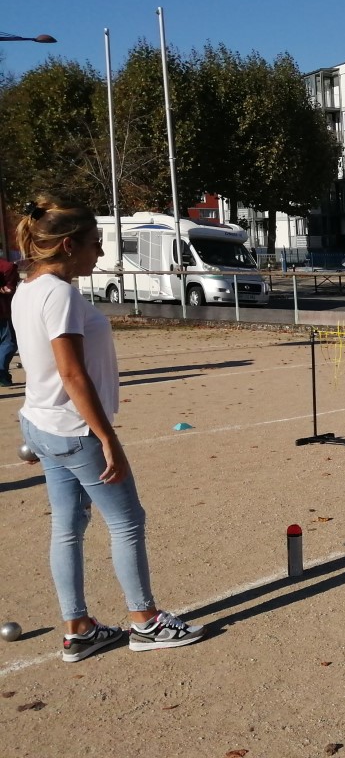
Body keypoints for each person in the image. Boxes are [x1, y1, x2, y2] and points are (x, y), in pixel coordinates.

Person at [13, 195, 206, 663]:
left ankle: (78, 629)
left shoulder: (29, 287)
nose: (100, 252)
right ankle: (146, 622)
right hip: (74, 430)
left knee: (67, 526)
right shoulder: (58, 294)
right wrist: (107, 438)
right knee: (127, 522)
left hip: (41, 423)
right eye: (95, 243)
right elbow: (72, 374)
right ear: (67, 244)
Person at [0, 254, 20, 387]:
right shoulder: (7, 267)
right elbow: (9, 289)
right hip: (3, 311)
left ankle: (4, 375)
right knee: (10, 342)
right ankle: (2, 375)